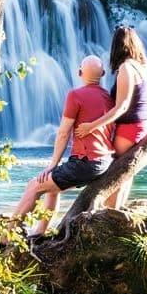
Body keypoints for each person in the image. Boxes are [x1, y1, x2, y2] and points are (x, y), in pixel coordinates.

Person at [12, 54, 114, 234]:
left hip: (85, 162)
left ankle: (5, 237)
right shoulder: (109, 97)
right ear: (103, 73)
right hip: (103, 161)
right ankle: (39, 233)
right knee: (51, 189)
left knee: (34, 185)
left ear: (79, 72)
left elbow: (63, 132)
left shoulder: (75, 95)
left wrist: (52, 164)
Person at [79, 25, 147, 210]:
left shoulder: (126, 68)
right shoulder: (145, 68)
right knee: (126, 172)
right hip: (144, 124)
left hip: (129, 128)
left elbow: (121, 107)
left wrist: (92, 126)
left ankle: (111, 212)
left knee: (114, 172)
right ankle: (117, 209)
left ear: (117, 47)